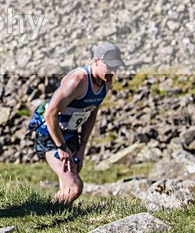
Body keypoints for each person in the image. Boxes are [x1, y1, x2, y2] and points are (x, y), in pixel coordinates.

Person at [28, 42, 125, 204]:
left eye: (116, 67)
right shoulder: (78, 80)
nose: (113, 72)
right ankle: (43, 212)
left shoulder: (106, 82)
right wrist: (62, 147)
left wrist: (82, 148)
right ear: (95, 61)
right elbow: (50, 112)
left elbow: (92, 112)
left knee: (68, 183)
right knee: (74, 187)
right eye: (109, 66)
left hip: (71, 133)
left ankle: (58, 218)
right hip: (50, 132)